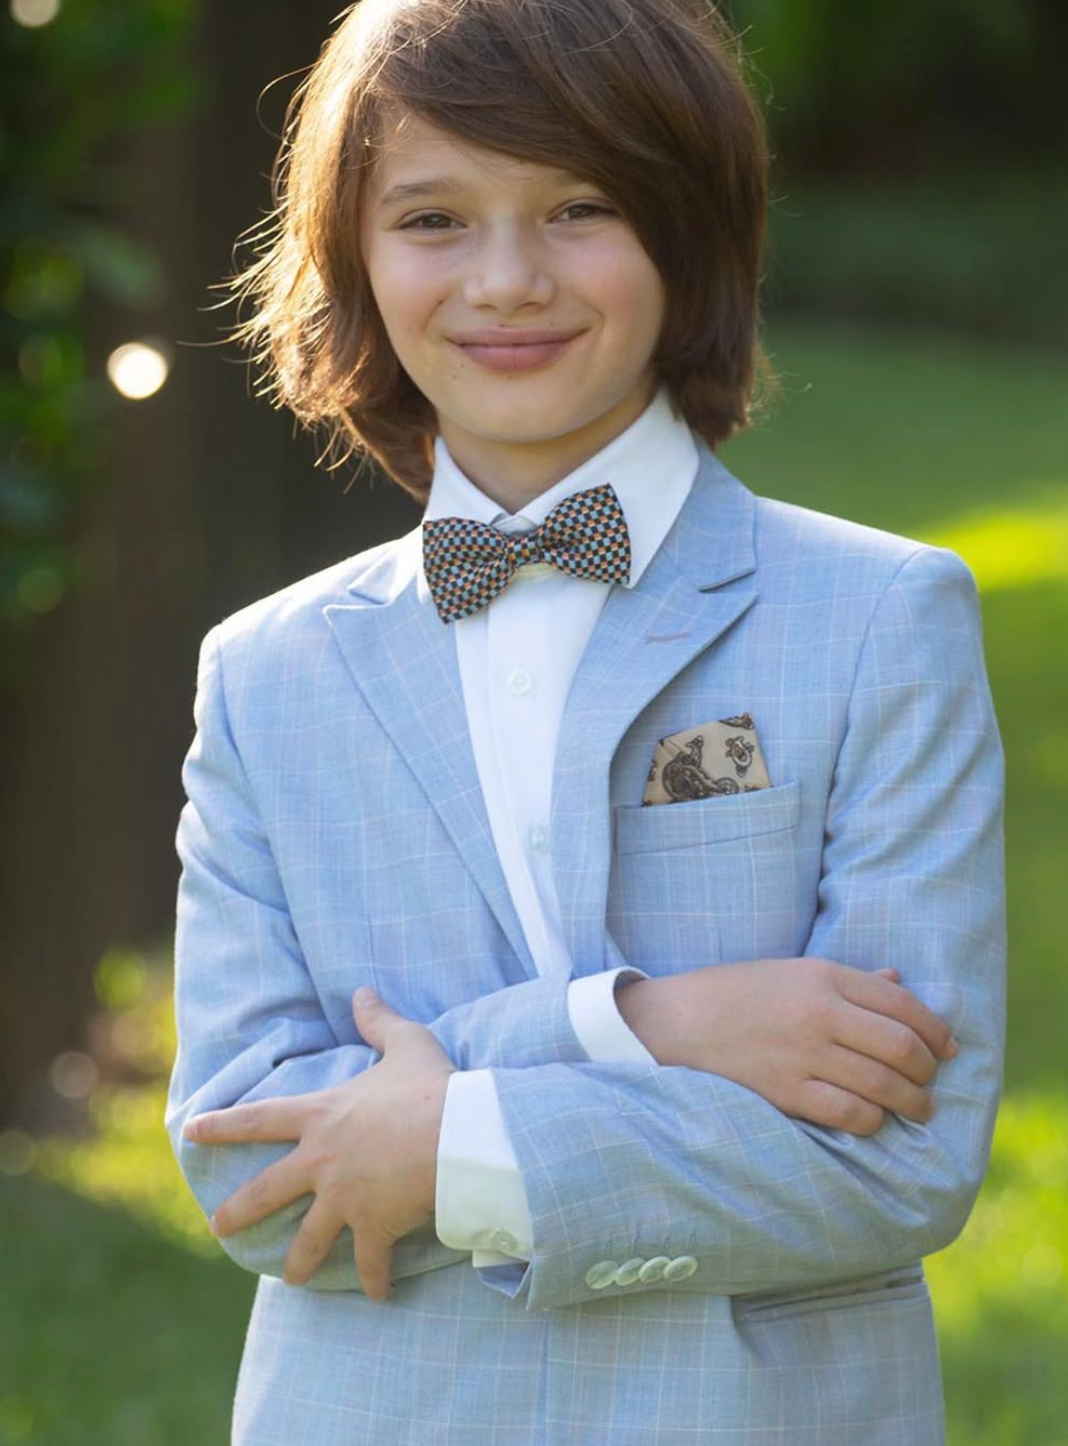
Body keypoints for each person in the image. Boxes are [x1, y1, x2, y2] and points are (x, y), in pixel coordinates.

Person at [165, 1, 1006, 1442]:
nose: (507, 279)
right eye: (433, 217)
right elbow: (257, 1169)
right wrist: (643, 1026)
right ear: (354, 260)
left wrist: (436, 1133)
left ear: (689, 233)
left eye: (580, 206)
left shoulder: (879, 619)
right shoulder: (269, 672)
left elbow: (895, 1157)